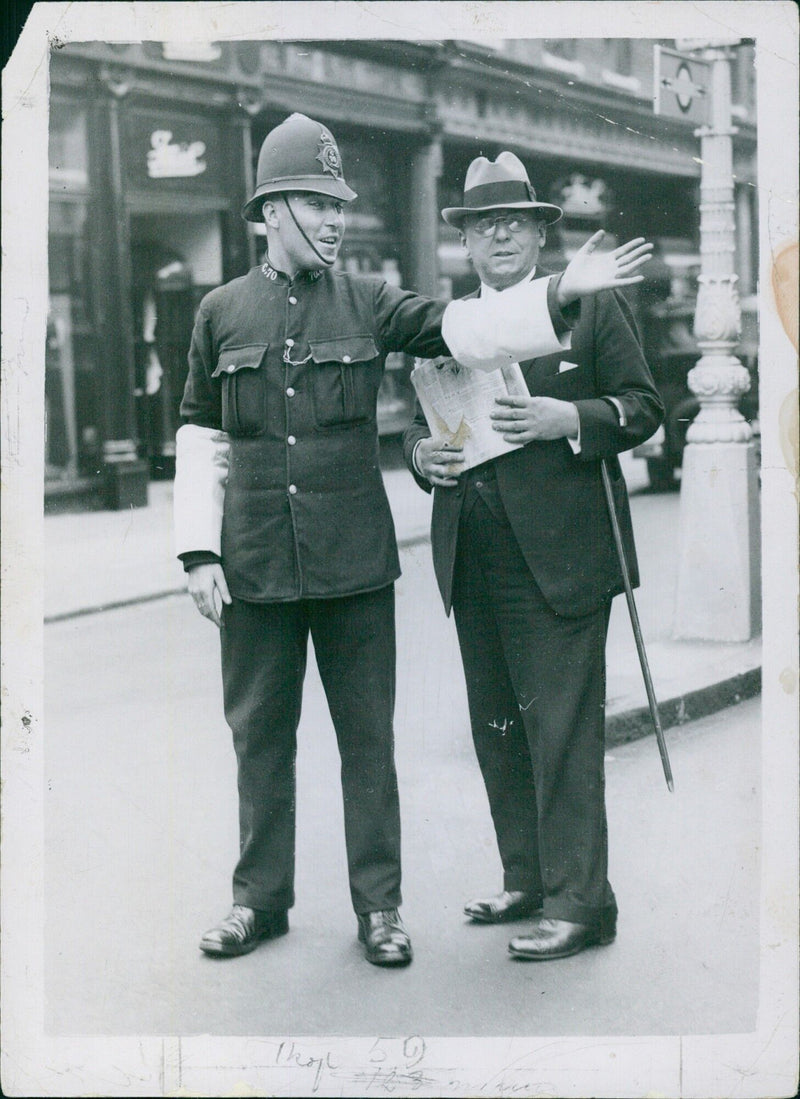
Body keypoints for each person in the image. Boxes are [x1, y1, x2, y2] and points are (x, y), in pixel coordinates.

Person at [174, 116, 654, 968]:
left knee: (383, 740)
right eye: (317, 204)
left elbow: (469, 336)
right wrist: (197, 550)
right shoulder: (220, 311)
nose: (334, 220)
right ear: (271, 210)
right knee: (266, 734)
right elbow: (200, 434)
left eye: (338, 205)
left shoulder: (369, 300)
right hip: (276, 561)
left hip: (384, 562)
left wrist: (560, 299)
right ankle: (264, 898)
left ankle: (393, 909)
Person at [403, 151, 664, 961]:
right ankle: (526, 877)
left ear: (541, 233)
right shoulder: (450, 327)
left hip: (561, 558)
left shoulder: (590, 308)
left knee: (562, 732)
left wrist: (569, 417)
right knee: (499, 728)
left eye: (515, 221)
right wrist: (422, 458)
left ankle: (581, 902)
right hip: (473, 550)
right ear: (467, 244)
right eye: (484, 224)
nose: (501, 235)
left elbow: (647, 408)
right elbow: (431, 427)